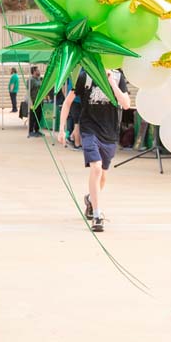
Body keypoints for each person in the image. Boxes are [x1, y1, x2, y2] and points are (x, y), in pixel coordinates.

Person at [58, 68, 131, 232]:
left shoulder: (118, 75)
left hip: (110, 132)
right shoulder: (84, 75)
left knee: (102, 176)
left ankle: (90, 199)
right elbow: (68, 101)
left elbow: (126, 104)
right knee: (96, 168)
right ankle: (98, 216)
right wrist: (62, 128)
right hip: (89, 130)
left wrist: (112, 82)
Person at [27, 66, 44, 137]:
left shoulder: (39, 79)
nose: (39, 71)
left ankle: (37, 130)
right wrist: (30, 101)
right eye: (37, 70)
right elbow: (28, 91)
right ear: (34, 71)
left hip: (40, 100)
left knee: (39, 116)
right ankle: (30, 131)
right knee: (33, 116)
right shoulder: (31, 80)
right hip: (34, 101)